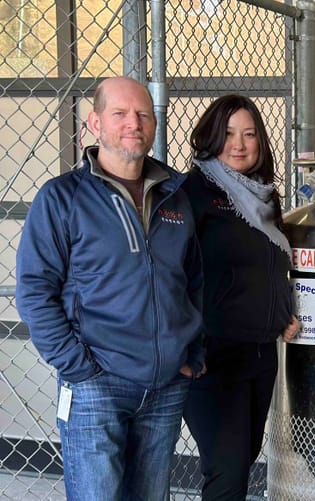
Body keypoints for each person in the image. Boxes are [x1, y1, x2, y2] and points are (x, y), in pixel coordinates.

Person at [15, 76, 205, 500]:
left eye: (143, 114)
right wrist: (78, 368)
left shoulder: (175, 195)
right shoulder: (62, 198)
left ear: (154, 124)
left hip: (166, 386)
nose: (133, 123)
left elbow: (192, 281)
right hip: (97, 384)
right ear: (95, 123)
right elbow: (34, 291)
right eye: (120, 113)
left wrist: (191, 353)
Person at [181, 95, 300, 500]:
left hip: (260, 353)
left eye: (249, 135)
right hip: (214, 357)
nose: (239, 144)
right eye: (228, 134)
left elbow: (266, 266)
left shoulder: (263, 197)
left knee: (242, 461)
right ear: (210, 137)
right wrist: (185, 345)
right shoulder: (193, 193)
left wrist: (284, 311)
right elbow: (170, 273)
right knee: (227, 473)